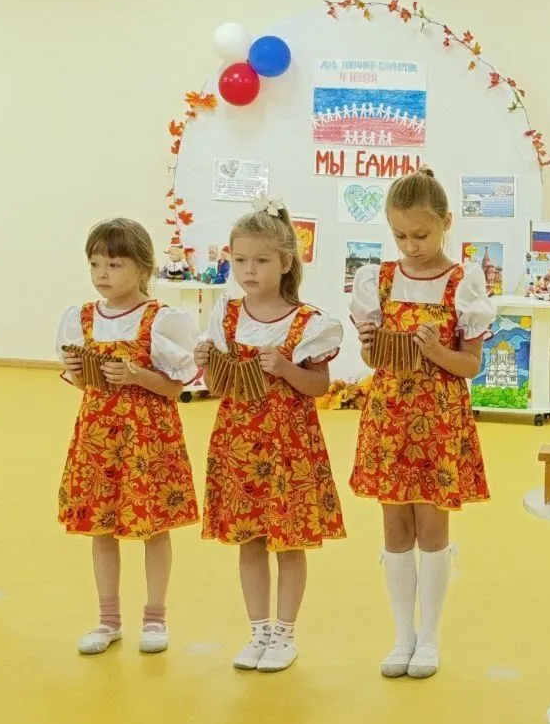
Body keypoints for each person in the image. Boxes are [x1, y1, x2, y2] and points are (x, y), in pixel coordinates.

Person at [350, 168, 493, 679]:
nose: (411, 246)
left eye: (421, 234)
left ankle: (429, 635)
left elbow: (471, 366)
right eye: (400, 236)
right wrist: (371, 347)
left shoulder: (462, 281)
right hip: (389, 416)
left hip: (438, 419)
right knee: (395, 525)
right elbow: (374, 361)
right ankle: (402, 635)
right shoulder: (379, 280)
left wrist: (436, 351)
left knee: (432, 526)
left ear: (446, 223)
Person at [196, 197, 345, 672]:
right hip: (239, 443)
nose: (249, 270)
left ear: (285, 262)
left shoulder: (309, 324)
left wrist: (283, 368)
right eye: (240, 260)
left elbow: (319, 386)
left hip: (289, 446)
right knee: (251, 540)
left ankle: (284, 634)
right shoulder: (225, 316)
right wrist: (208, 365)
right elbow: (219, 388)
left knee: (290, 541)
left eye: (260, 260)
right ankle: (258, 631)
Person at [57, 217, 200, 655]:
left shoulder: (161, 320)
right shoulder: (81, 318)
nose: (102, 274)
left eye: (114, 264)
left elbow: (175, 387)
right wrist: (80, 374)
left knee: (154, 527)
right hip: (98, 437)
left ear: (143, 268)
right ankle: (108, 620)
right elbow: (83, 385)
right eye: (95, 264)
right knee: (101, 527)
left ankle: (155, 618)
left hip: (148, 438)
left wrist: (138, 375)